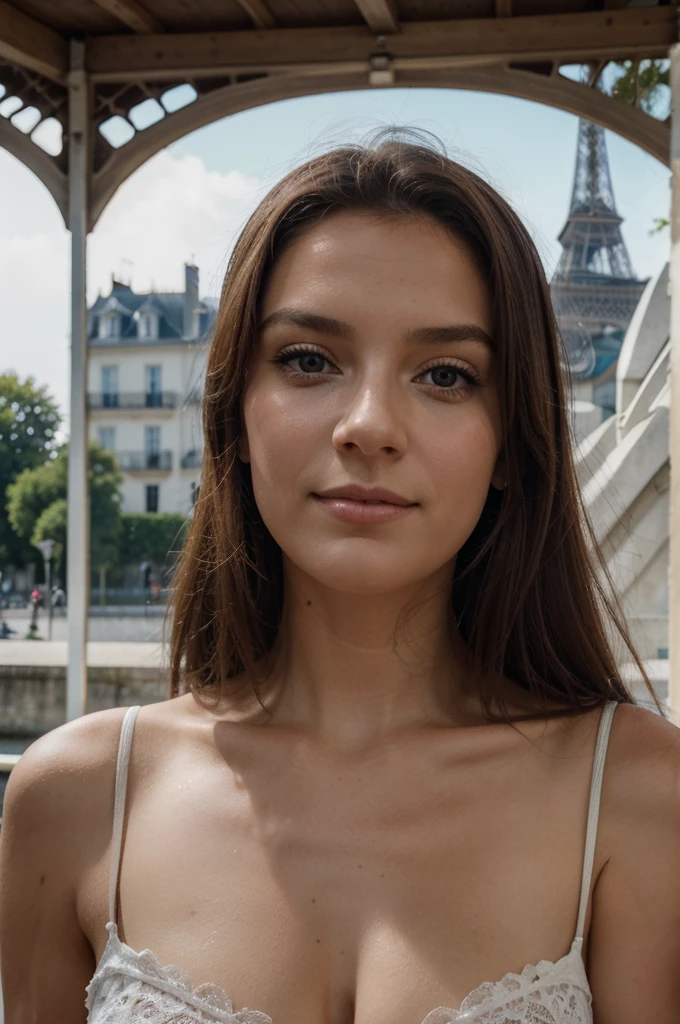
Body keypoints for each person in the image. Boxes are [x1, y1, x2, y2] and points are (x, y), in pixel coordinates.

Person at [1, 129, 679, 1023]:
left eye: (445, 374)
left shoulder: (638, 797)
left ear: (512, 439)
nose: (368, 425)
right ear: (235, 416)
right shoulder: (74, 797)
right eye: (308, 360)